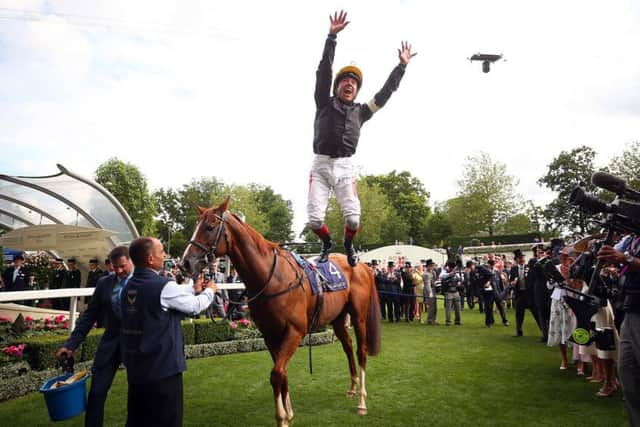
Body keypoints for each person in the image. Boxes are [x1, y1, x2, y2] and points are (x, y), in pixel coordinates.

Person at [307, 10, 417, 266]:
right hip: (321, 165)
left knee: (354, 219)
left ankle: (348, 245)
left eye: (353, 83)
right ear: (337, 87)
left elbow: (386, 93)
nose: (349, 85)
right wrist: (331, 38)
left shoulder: (362, 111)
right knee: (314, 220)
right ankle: (326, 243)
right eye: (345, 81)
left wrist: (401, 66)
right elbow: (323, 72)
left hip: (345, 167)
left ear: (356, 90)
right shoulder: (323, 102)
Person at [121, 237, 216, 427]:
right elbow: (195, 307)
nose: (164, 255)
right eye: (161, 251)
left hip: (137, 370)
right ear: (150, 259)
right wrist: (210, 291)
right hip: (163, 371)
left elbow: (165, 299)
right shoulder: (164, 285)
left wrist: (191, 288)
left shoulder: (127, 287)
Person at [55, 246, 132, 427]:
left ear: (131, 261)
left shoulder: (145, 282)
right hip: (111, 342)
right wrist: (71, 345)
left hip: (136, 344)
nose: (119, 271)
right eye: (115, 267)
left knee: (138, 394)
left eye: (122, 266)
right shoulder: (104, 283)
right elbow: (89, 316)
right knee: (97, 392)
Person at [509, 249, 540, 337]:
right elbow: (511, 280)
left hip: (529, 294)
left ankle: (544, 332)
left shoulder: (529, 267)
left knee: (536, 313)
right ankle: (519, 331)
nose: (522, 259)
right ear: (516, 260)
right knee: (519, 314)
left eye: (522, 257)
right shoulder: (514, 269)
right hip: (519, 294)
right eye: (519, 258)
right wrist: (512, 283)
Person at [439, 261, 462, 326]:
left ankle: (458, 321)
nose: (452, 269)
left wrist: (459, 282)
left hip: (456, 292)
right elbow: (441, 276)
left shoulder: (456, 273)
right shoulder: (445, 272)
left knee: (458, 308)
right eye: (451, 267)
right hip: (448, 292)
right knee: (448, 309)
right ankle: (448, 321)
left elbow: (460, 278)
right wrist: (449, 274)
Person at [423, 259, 439, 325]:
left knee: (435, 306)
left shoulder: (433, 272)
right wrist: (430, 293)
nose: (432, 267)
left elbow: (434, 281)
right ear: (428, 266)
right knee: (431, 306)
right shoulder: (426, 274)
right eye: (431, 265)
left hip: (433, 289)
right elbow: (427, 284)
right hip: (428, 290)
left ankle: (434, 319)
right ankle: (430, 320)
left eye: (432, 265)